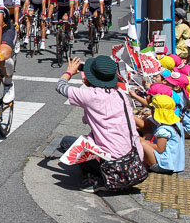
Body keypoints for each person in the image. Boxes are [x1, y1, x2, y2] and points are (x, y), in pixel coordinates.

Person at [56, 56, 144, 192]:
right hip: (135, 160)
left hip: (114, 164)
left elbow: (60, 86)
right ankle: (103, 175)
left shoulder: (91, 96)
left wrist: (69, 72)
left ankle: (99, 178)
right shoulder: (120, 93)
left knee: (66, 143)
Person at [139, 94, 185, 173]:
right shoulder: (177, 123)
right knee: (148, 135)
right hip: (176, 163)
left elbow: (160, 149)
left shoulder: (163, 130)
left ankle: (140, 163)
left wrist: (146, 143)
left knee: (141, 143)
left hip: (165, 166)